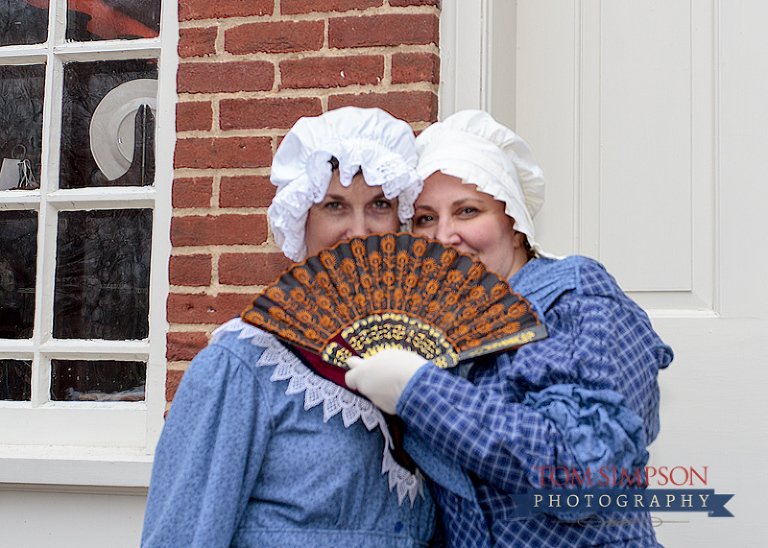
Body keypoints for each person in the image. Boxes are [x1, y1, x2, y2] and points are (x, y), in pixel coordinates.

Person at [345, 109, 673, 548]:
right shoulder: (442, 333)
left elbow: (585, 473)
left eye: (467, 211)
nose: (444, 236)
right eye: (425, 218)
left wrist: (419, 392)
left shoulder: (573, 298)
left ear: (515, 225)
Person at [140, 107, 436, 548]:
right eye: (335, 206)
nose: (360, 231)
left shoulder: (427, 365)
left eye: (379, 205)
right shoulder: (241, 367)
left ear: (401, 221)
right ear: (302, 220)